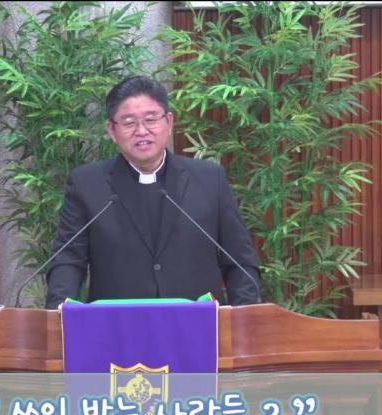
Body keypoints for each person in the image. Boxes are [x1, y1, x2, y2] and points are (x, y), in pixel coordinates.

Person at [45, 75, 260, 309]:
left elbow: (239, 261)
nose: (142, 131)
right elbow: (68, 260)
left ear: (169, 122)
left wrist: (244, 316)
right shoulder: (87, 184)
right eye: (129, 122)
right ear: (112, 130)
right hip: (117, 325)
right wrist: (59, 313)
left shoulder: (209, 179)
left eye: (150, 119)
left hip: (197, 324)